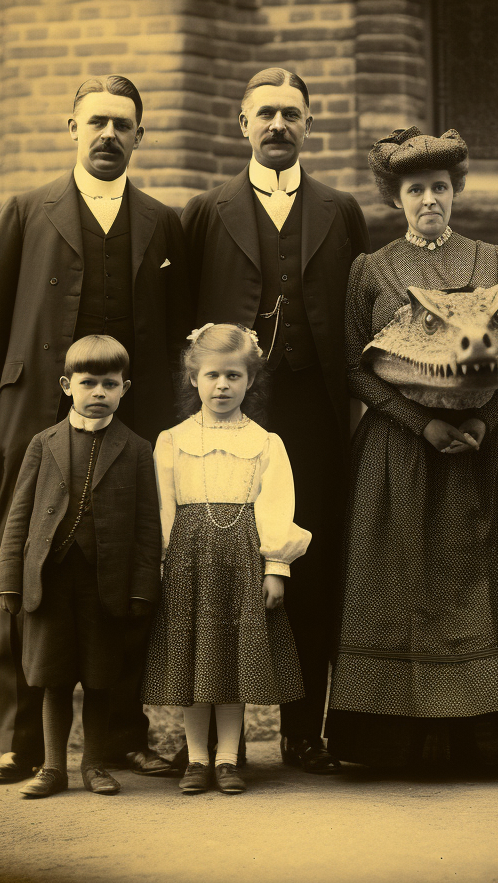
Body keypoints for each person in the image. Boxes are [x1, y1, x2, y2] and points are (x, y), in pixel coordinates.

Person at [0, 75, 189, 783]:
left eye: (123, 124)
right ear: (72, 127)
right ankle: (23, 742)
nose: (108, 135)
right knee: (25, 578)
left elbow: (176, 334)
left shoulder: (162, 222)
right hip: (32, 428)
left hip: (131, 438)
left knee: (122, 581)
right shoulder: (27, 212)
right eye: (96, 122)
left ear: (140, 137)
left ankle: (119, 736)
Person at [325, 127, 498, 770]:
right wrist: (420, 422)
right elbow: (353, 366)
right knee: (403, 586)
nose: (428, 199)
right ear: (396, 198)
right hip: (401, 456)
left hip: (486, 454)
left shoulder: (495, 262)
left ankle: (490, 741)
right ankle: (395, 744)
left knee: (489, 582)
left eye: (439, 187)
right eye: (414, 190)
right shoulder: (371, 270)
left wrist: (486, 421)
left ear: (455, 190)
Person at [181, 68, 369, 773]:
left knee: (310, 565)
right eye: (265, 114)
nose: (278, 125)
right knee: (223, 568)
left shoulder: (341, 209)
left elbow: (357, 312)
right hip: (232, 418)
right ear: (242, 123)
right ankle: (218, 743)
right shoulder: (207, 211)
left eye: (292, 113)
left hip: (316, 415)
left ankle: (301, 732)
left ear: (310, 124)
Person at [141, 324, 310, 795]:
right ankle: (196, 759)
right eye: (212, 375)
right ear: (193, 377)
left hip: (242, 562)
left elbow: (277, 505)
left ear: (250, 380)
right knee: (196, 659)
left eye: (234, 376)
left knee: (232, 660)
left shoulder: (265, 442)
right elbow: (161, 507)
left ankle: (229, 758)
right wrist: (160, 565)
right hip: (188, 563)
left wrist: (276, 569)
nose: (222, 386)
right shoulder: (172, 440)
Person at [0, 336, 162, 798]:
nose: (99, 392)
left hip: (105, 584)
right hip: (49, 580)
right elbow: (18, 517)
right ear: (68, 385)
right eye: (89, 383)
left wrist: (144, 587)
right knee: (53, 675)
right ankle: (52, 767)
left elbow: (149, 526)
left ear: (126, 388)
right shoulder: (42, 444)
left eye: (110, 383)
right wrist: (9, 578)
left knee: (101, 676)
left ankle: (94, 764)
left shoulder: (137, 448)